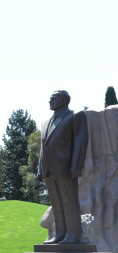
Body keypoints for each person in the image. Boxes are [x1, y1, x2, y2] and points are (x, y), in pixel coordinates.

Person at [38, 90, 89, 244]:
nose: (50, 101)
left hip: (66, 167)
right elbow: (43, 147)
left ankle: (73, 234)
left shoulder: (75, 117)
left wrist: (76, 165)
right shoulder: (45, 122)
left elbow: (81, 142)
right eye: (50, 99)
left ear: (64, 100)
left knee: (69, 201)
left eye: (53, 98)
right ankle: (59, 233)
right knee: (56, 203)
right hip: (49, 169)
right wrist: (40, 168)